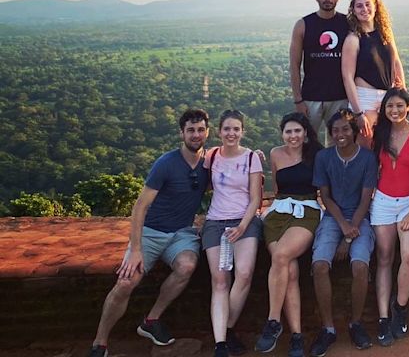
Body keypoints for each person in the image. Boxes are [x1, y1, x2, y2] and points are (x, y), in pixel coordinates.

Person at [87, 109, 211, 357]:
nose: (196, 135)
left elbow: (232, 175)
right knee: (125, 282)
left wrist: (252, 157)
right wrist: (135, 249)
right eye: (190, 130)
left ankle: (151, 320)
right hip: (151, 232)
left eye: (200, 130)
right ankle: (100, 342)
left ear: (207, 131)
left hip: (182, 233)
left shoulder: (210, 163)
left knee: (187, 267)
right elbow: (140, 206)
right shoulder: (166, 163)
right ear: (181, 133)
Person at [309, 109, 378, 356]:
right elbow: (325, 196)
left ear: (354, 131)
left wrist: (350, 236)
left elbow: (365, 199)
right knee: (319, 265)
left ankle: (356, 323)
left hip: (360, 218)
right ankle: (328, 328)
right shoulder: (324, 157)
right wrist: (342, 226)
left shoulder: (368, 158)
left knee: (360, 266)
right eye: (335, 130)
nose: (340, 134)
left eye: (345, 129)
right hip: (333, 217)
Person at [256, 113, 324, 357]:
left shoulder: (316, 154)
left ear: (305, 133)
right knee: (290, 270)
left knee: (282, 255)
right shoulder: (275, 154)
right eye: (288, 132)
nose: (293, 136)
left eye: (297, 131)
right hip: (278, 213)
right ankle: (296, 336)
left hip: (306, 210)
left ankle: (273, 320)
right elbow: (277, 188)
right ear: (282, 134)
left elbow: (325, 189)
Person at [370, 88, 409, 346]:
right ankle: (383, 317)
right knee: (384, 257)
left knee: (407, 256)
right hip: (383, 201)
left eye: (399, 106)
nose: (394, 110)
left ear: (408, 107)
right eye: (389, 106)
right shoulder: (380, 134)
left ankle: (400, 308)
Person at [202, 109, 264, 357]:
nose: (231, 133)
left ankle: (225, 330)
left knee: (245, 274)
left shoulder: (251, 158)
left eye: (236, 129)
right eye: (227, 128)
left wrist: (241, 226)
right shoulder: (212, 156)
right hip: (215, 222)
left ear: (242, 131)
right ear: (219, 131)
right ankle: (220, 345)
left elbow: (256, 198)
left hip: (244, 221)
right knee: (219, 281)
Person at [289, 0, 351, 145]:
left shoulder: (348, 24)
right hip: (311, 99)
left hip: (341, 98)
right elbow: (294, 66)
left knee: (339, 146)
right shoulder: (303, 25)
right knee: (306, 146)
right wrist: (298, 100)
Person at [341, 0, 404, 141]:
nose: (364, 9)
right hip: (365, 98)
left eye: (368, 4)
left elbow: (396, 61)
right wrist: (358, 113)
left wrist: (403, 94)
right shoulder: (353, 39)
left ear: (376, 6)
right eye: (359, 6)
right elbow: (347, 77)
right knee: (367, 147)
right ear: (353, 11)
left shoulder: (386, 33)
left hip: (388, 95)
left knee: (388, 145)